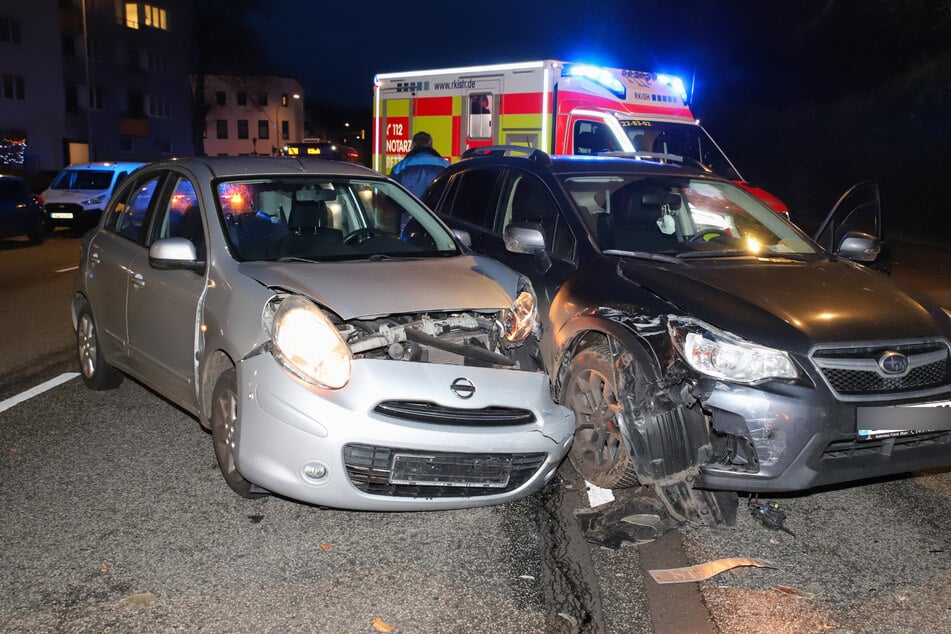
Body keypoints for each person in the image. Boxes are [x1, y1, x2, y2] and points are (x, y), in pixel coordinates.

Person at [389, 131, 449, 198]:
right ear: (431, 145)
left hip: (409, 208)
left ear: (413, 146)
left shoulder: (400, 167)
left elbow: (391, 194)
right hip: (436, 208)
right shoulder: (445, 166)